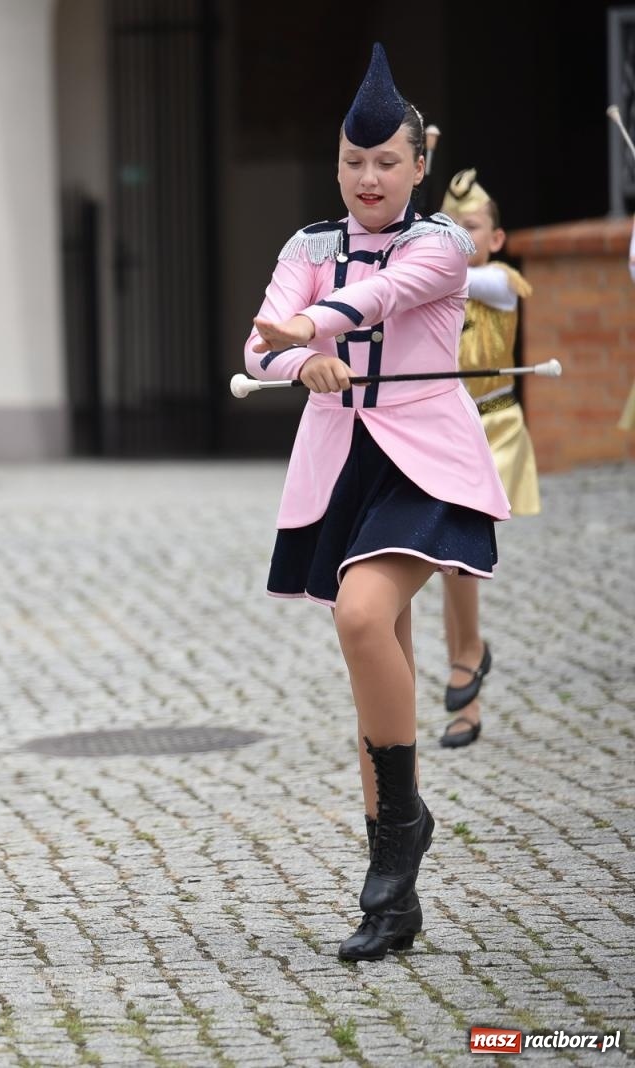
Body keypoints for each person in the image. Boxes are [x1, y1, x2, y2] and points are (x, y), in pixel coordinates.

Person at [244, 44, 509, 961]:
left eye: (386, 162)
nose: (367, 177)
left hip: (424, 459)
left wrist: (316, 327)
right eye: (353, 162)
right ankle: (393, 890)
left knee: (363, 616)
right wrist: (295, 359)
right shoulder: (307, 246)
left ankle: (399, 835)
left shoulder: (441, 244)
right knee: (376, 651)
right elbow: (260, 348)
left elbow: (384, 296)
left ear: (419, 164)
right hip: (339, 463)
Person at [434, 168, 540, 747]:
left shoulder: (498, 279)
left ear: (496, 239)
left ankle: (468, 658)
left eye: (469, 227)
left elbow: (466, 280)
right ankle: (466, 702)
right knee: (448, 562)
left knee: (456, 548)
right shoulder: (442, 280)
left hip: (494, 428)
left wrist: (423, 252)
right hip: (448, 431)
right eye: (448, 227)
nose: (458, 237)